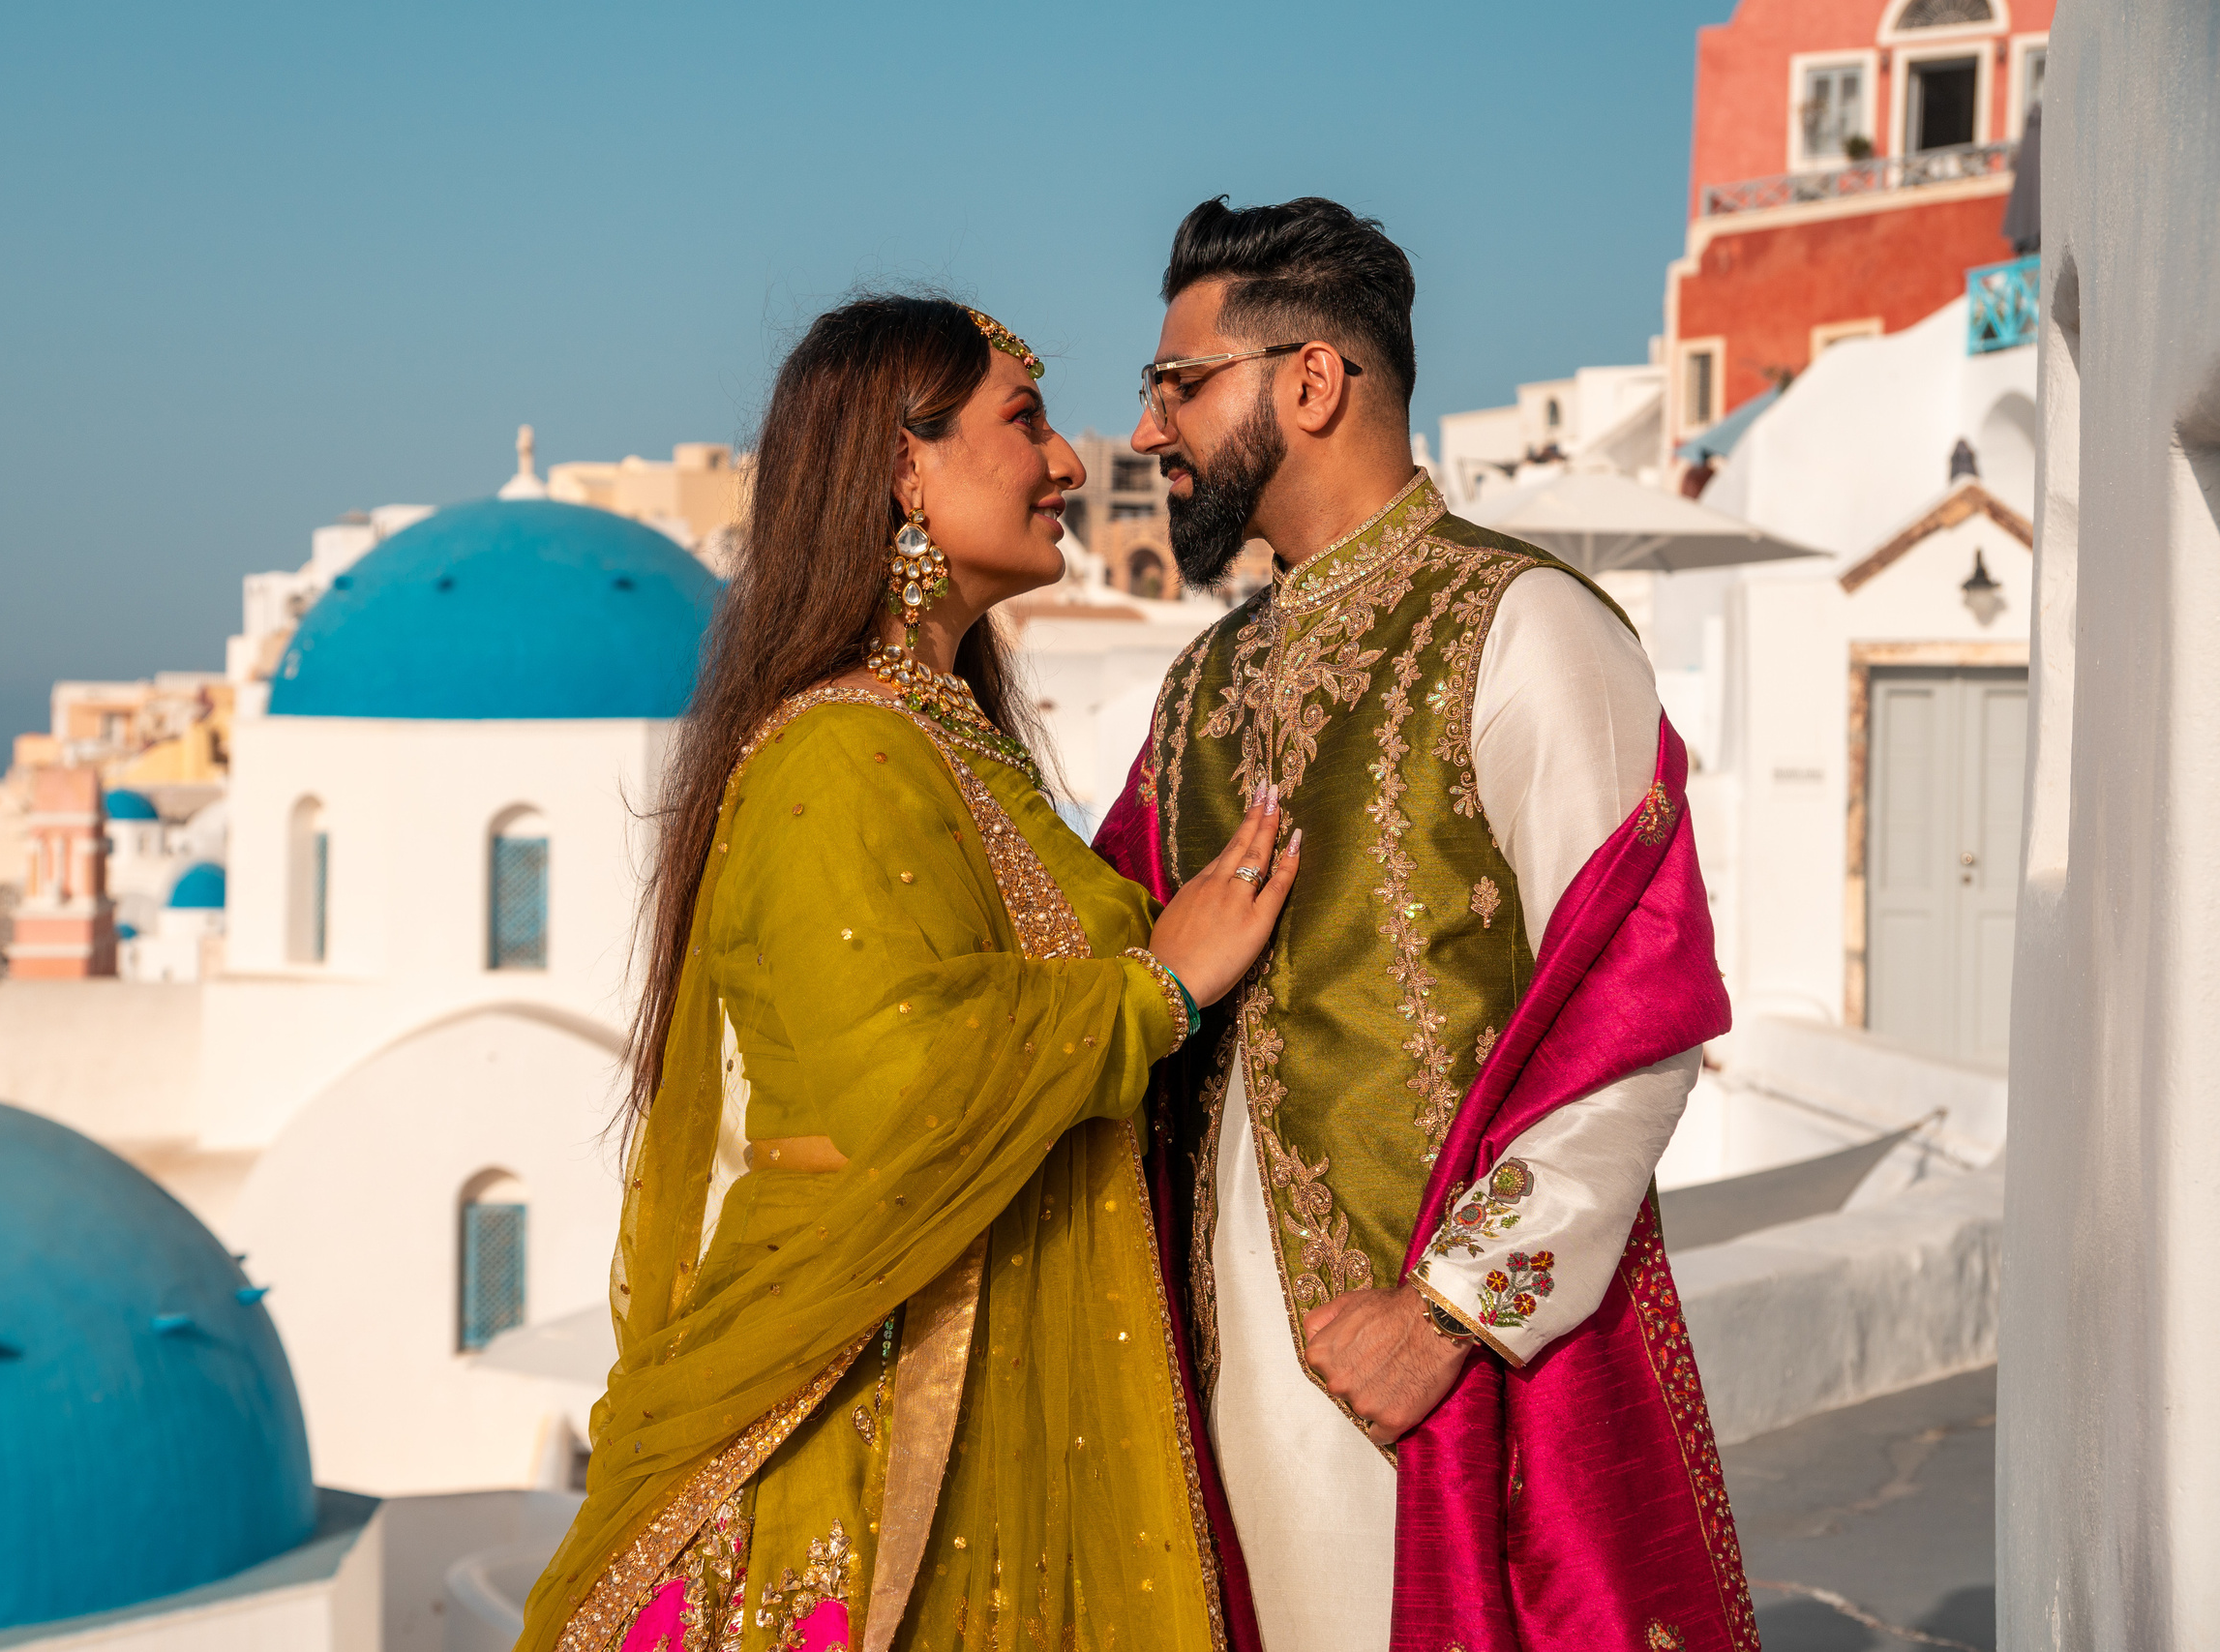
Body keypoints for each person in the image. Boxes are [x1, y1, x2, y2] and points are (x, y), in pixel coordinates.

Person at [514, 295, 1299, 1652]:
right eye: (1024, 421)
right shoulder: (838, 756)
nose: (1067, 463)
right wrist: (1152, 992)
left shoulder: (956, 743)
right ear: (901, 474)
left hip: (992, 1385)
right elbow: (907, 1080)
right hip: (868, 1416)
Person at [1095, 198, 1758, 1651]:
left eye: (1178, 385)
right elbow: (1100, 973)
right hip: (1217, 1381)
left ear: (1311, 382)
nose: (1149, 433)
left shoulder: (1527, 629)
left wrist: (1452, 1312)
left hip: (1432, 1386)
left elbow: (1631, 1020)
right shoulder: (1201, 687)